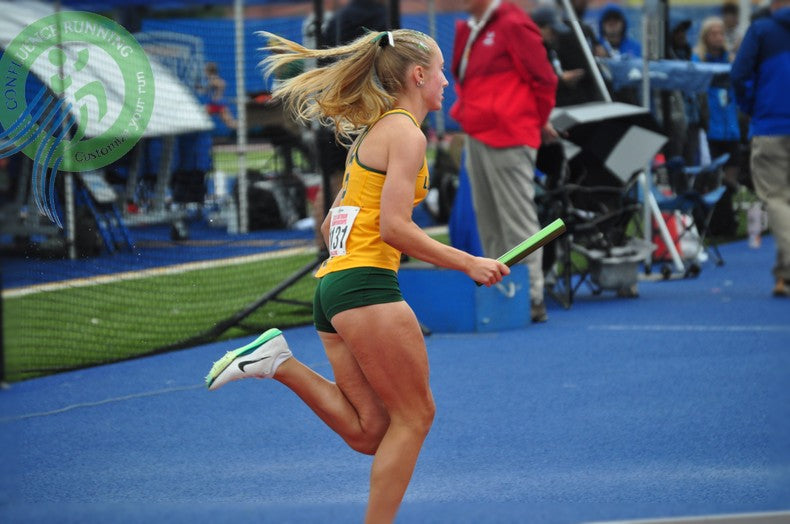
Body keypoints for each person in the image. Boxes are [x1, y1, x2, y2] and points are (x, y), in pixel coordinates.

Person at [205, 29, 510, 523]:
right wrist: (468, 263)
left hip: (334, 290)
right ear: (418, 76)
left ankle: (278, 362)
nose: (447, 83)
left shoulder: (374, 132)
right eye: (441, 72)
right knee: (416, 417)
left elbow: (331, 225)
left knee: (372, 432)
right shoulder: (407, 134)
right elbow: (393, 228)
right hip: (365, 288)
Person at [451, 0, 558, 323]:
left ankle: (533, 297)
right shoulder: (473, 28)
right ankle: (506, 297)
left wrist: (533, 122)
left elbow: (544, 79)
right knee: (490, 224)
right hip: (479, 132)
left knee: (517, 223)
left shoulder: (511, 23)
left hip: (509, 133)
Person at [312, 0, 388, 248]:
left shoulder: (337, 20)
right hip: (360, 113)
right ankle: (335, 247)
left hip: (334, 110)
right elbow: (390, 60)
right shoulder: (377, 14)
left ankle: (324, 250)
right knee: (353, 181)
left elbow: (323, 64)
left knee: (335, 181)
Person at [731, 0, 790, 296]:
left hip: (771, 124)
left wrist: (750, 106)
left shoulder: (762, 30)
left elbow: (739, 75)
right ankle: (783, 276)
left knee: (777, 199)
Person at [693, 16, 742, 236]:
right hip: (710, 128)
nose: (718, 37)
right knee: (711, 177)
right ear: (705, 36)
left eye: (721, 33)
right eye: (713, 33)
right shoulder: (698, 60)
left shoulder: (729, 61)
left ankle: (726, 221)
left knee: (730, 172)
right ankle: (711, 223)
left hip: (729, 126)